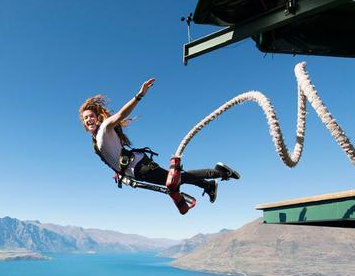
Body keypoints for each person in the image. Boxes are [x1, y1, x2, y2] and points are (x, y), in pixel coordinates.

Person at [79, 79, 239, 203]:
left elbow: (121, 114)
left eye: (91, 116)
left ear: (97, 118)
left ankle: (218, 174)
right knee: (177, 179)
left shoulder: (105, 127)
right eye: (85, 118)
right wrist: (118, 172)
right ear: (83, 122)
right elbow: (113, 155)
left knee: (176, 180)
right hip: (136, 169)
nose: (89, 119)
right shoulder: (96, 141)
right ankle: (210, 184)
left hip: (140, 167)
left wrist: (139, 95)